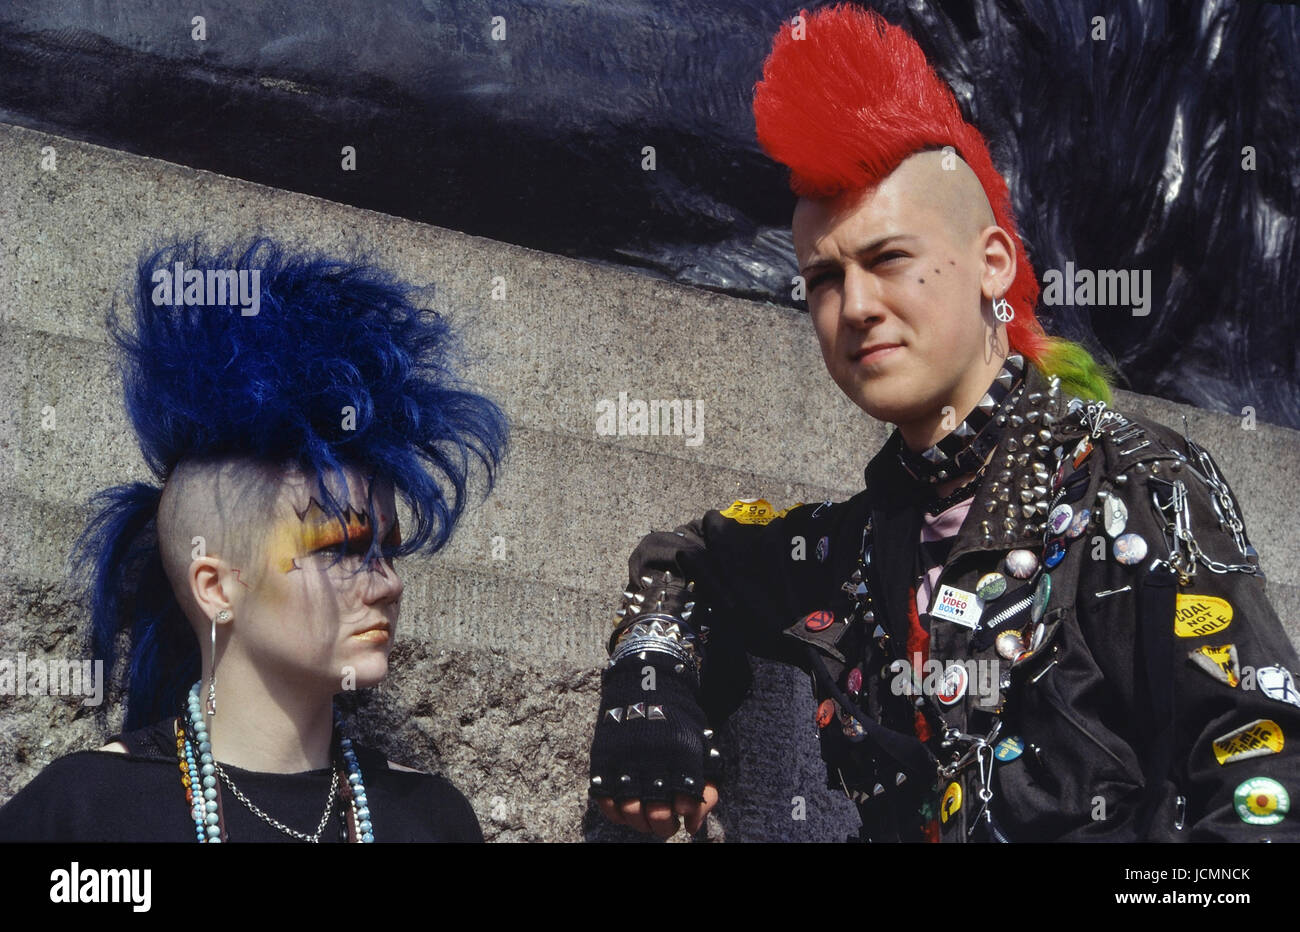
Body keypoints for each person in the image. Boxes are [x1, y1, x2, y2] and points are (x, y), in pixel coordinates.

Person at [587, 5, 1300, 842]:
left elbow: (1267, 787)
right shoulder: (848, 552)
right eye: (821, 279)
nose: (855, 307)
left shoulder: (1134, 485)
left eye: (889, 259)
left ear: (993, 264)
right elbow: (686, 563)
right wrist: (649, 677)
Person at [0, 238, 507, 842]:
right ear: (215, 587)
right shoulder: (89, 812)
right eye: (339, 548)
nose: (388, 582)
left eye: (388, 550)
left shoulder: (429, 819)